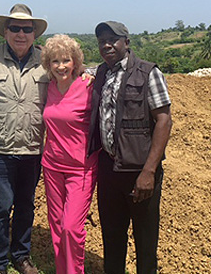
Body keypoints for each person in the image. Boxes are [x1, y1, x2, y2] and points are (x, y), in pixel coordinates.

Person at [89, 21, 172, 274]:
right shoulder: (101, 73)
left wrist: (149, 171)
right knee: (112, 238)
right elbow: (72, 68)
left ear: (127, 42)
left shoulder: (148, 73)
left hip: (139, 172)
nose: (106, 45)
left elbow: (164, 120)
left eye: (113, 39)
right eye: (102, 40)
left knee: (146, 242)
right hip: (109, 169)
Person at [0, 4, 50, 274]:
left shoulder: (45, 61)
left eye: (26, 29)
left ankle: (21, 256)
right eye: (15, 28)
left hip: (32, 148)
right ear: (5, 32)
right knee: (0, 205)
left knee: (25, 205)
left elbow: (70, 78)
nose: (20, 33)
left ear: (34, 34)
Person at [41, 34, 98, 274]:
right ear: (48, 64)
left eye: (66, 60)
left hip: (81, 168)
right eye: (55, 61)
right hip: (52, 165)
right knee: (56, 225)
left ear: (75, 61)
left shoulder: (88, 85)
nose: (61, 66)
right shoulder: (49, 85)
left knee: (71, 227)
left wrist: (92, 71)